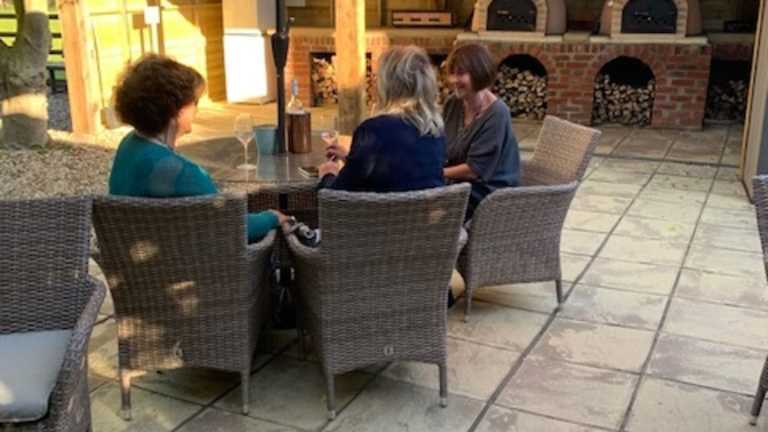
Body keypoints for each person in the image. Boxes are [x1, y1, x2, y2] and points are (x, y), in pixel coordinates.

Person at [108, 54, 287, 242]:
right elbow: (233, 225)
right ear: (175, 111)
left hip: (132, 254)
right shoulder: (182, 173)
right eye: (194, 102)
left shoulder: (129, 145)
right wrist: (271, 217)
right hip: (193, 258)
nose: (197, 109)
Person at [320, 45, 445, 192]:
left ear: (387, 85)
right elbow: (403, 175)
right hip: (429, 207)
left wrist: (328, 174)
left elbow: (336, 196)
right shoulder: (436, 130)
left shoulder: (372, 130)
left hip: (376, 208)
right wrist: (351, 158)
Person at [442, 43, 520, 218]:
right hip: (460, 183)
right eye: (452, 73)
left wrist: (437, 173)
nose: (453, 80)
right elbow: (441, 143)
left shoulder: (497, 113)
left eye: (460, 74)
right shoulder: (452, 103)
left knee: (433, 210)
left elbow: (475, 170)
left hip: (490, 192)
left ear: (478, 73)